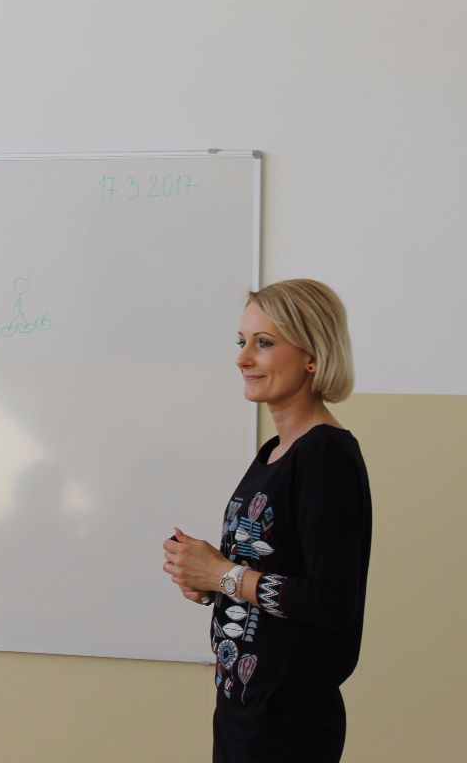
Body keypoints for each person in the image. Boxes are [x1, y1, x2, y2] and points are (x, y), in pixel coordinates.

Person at [162, 279, 372, 762]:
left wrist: (223, 575)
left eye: (264, 343)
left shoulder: (326, 455)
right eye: (242, 341)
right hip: (244, 711)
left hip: (288, 723)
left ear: (312, 356)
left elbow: (331, 601)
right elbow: (270, 575)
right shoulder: (274, 453)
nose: (242, 358)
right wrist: (206, 579)